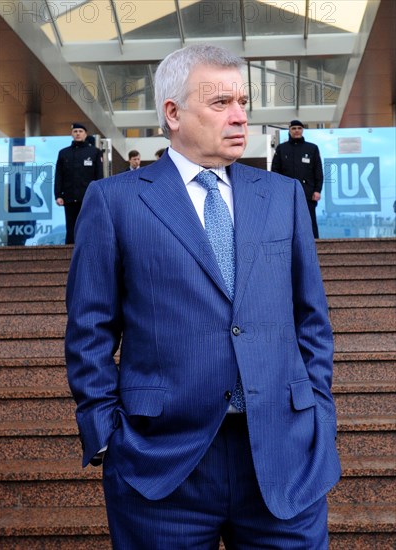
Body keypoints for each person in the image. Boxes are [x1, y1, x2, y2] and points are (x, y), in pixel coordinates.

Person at [65, 44, 340, 549]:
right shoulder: (115, 201)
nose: (240, 117)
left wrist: (319, 410)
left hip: (284, 455)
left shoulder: (283, 196)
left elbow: (311, 319)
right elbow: (90, 330)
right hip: (161, 463)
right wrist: (104, 434)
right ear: (172, 113)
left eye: (243, 101)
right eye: (220, 103)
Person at [271, 120, 324, 238]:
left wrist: (317, 190)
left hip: (307, 193)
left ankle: (315, 246)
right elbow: (275, 171)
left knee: (309, 220)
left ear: (302, 130)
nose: (296, 131)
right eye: (294, 128)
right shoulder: (281, 149)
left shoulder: (312, 148)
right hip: (286, 193)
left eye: (299, 128)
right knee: (287, 221)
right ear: (289, 130)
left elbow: (318, 171)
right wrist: (278, 190)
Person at [54, 123, 103, 244]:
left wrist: (99, 195)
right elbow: (59, 175)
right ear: (71, 134)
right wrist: (58, 195)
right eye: (75, 131)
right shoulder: (63, 153)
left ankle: (89, 251)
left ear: (85, 134)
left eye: (80, 131)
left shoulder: (94, 152)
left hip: (88, 197)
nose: (78, 133)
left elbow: (99, 176)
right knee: (71, 228)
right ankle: (68, 256)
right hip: (69, 197)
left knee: (88, 225)